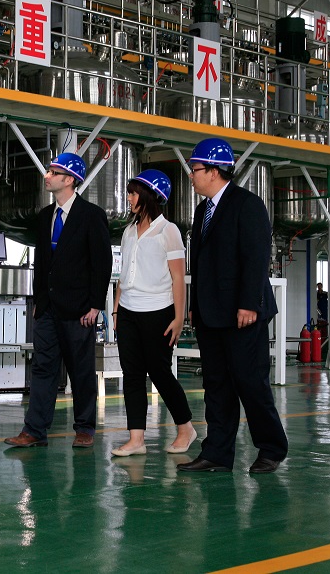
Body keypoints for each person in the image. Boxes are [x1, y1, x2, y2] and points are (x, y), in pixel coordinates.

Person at [178, 138, 289, 474]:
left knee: (250, 382)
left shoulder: (247, 204)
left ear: (214, 171)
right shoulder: (202, 211)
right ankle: (217, 453)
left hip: (243, 314)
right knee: (216, 386)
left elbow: (256, 258)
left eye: (195, 169)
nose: (191, 176)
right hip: (211, 314)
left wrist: (248, 304)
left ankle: (271, 449)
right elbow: (200, 263)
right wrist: (195, 305)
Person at [5, 153, 113, 449]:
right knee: (43, 368)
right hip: (48, 309)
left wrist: (95, 305)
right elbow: (41, 263)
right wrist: (39, 301)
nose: (47, 176)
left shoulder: (91, 215)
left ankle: (85, 428)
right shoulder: (45, 217)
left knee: (81, 371)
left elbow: (101, 263)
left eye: (53, 172)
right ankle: (34, 430)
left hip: (79, 309)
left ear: (69, 180)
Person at [110, 169, 198, 457]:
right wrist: (116, 310)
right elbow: (124, 274)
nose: (129, 198)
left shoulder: (168, 231)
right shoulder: (128, 231)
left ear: (149, 196)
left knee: (160, 373)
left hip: (158, 311)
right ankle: (136, 439)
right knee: (132, 375)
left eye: (133, 193)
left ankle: (185, 428)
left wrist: (179, 317)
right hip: (128, 312)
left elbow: (178, 278)